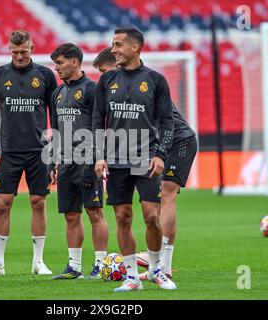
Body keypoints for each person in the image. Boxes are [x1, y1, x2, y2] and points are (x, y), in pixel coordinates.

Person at [93, 27, 176, 292]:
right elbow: (98, 120)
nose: (113, 49)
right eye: (113, 44)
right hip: (116, 159)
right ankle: (131, 277)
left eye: (118, 45)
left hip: (146, 157)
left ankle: (154, 270)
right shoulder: (106, 81)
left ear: (135, 47)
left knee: (152, 216)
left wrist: (161, 154)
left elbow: (167, 122)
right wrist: (99, 156)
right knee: (122, 216)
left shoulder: (155, 80)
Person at [0, 30, 57, 277]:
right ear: (9, 49)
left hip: (39, 152)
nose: (20, 56)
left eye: (24, 51)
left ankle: (38, 262)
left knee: (38, 202)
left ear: (32, 48)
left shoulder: (45, 75)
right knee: (3, 204)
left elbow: (55, 115)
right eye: (15, 52)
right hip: (10, 152)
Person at [48, 43, 109, 280]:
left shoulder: (93, 89)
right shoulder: (58, 93)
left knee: (95, 212)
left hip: (88, 161)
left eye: (60, 63)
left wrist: (96, 159)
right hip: (65, 162)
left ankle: (100, 264)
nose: (56, 68)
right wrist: (52, 162)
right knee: (71, 214)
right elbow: (55, 130)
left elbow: (99, 127)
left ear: (74, 62)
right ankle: (74, 266)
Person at [137, 101, 197, 280]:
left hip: (180, 141)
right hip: (164, 146)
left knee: (166, 196)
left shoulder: (146, 84)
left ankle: (156, 252)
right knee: (166, 198)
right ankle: (165, 266)